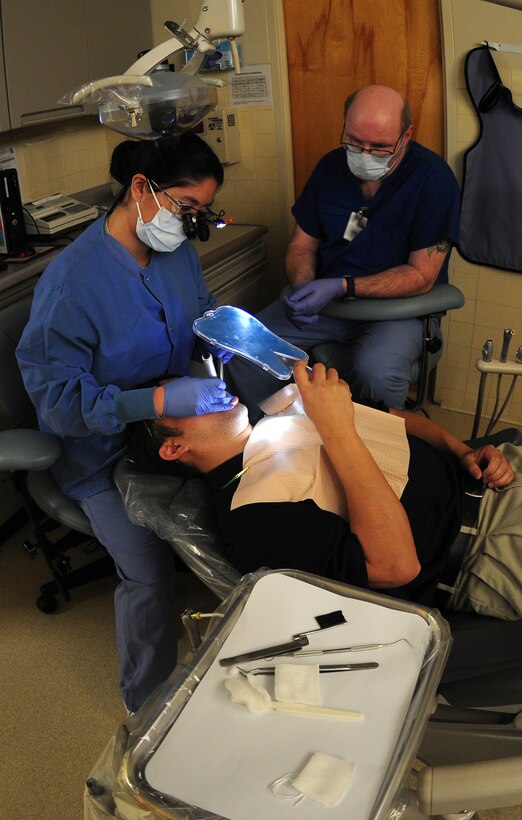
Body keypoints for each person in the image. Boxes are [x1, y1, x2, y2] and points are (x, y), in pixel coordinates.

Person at [127, 361, 522, 705]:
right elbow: (396, 565)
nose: (214, 389)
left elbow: (397, 420)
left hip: (491, 475)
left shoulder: (281, 409)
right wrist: (335, 428)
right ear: (175, 448)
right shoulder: (252, 516)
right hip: (491, 541)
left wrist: (462, 451)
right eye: (187, 400)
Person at [15, 133, 238, 714]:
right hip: (99, 452)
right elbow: (62, 405)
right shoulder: (72, 286)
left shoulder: (175, 250)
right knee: (148, 574)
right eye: (186, 209)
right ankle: (147, 706)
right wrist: (156, 404)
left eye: (200, 214)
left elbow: (200, 312)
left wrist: (235, 341)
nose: (190, 225)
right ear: (142, 188)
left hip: (169, 424)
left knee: (247, 500)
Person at [228, 85, 461, 415]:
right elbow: (301, 245)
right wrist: (303, 286)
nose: (364, 155)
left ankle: (371, 458)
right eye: (354, 141)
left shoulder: (433, 181)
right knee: (245, 349)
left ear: (406, 136)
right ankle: (271, 440)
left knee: (375, 373)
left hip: (397, 312)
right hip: (328, 306)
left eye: (379, 147)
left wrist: (343, 285)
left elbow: (421, 276)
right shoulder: (330, 169)